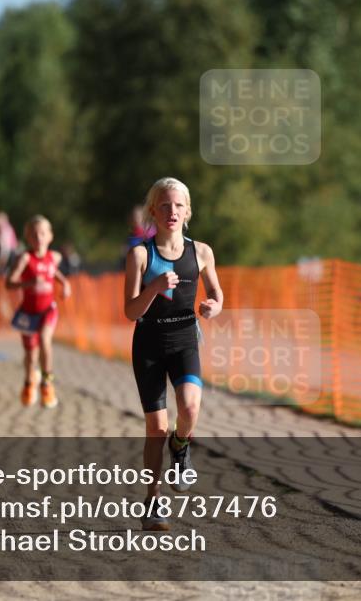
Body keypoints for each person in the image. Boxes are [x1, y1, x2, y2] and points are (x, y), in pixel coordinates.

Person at [123, 177, 223, 531]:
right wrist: (153, 286)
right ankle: (153, 500)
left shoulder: (201, 252)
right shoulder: (140, 254)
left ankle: (180, 447)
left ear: (188, 211)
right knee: (156, 427)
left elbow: (216, 293)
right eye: (165, 205)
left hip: (184, 339)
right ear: (153, 210)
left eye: (179, 205)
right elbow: (131, 312)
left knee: (191, 408)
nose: (172, 212)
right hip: (149, 343)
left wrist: (213, 306)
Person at [7, 215, 72, 408]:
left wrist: (65, 283)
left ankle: (47, 382)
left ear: (50, 236)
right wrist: (28, 283)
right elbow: (8, 283)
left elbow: (53, 271)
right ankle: (29, 382)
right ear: (28, 237)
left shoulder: (55, 257)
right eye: (34, 234)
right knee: (30, 355)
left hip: (48, 310)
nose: (39, 237)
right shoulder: (25, 258)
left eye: (43, 233)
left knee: (45, 339)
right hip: (28, 313)